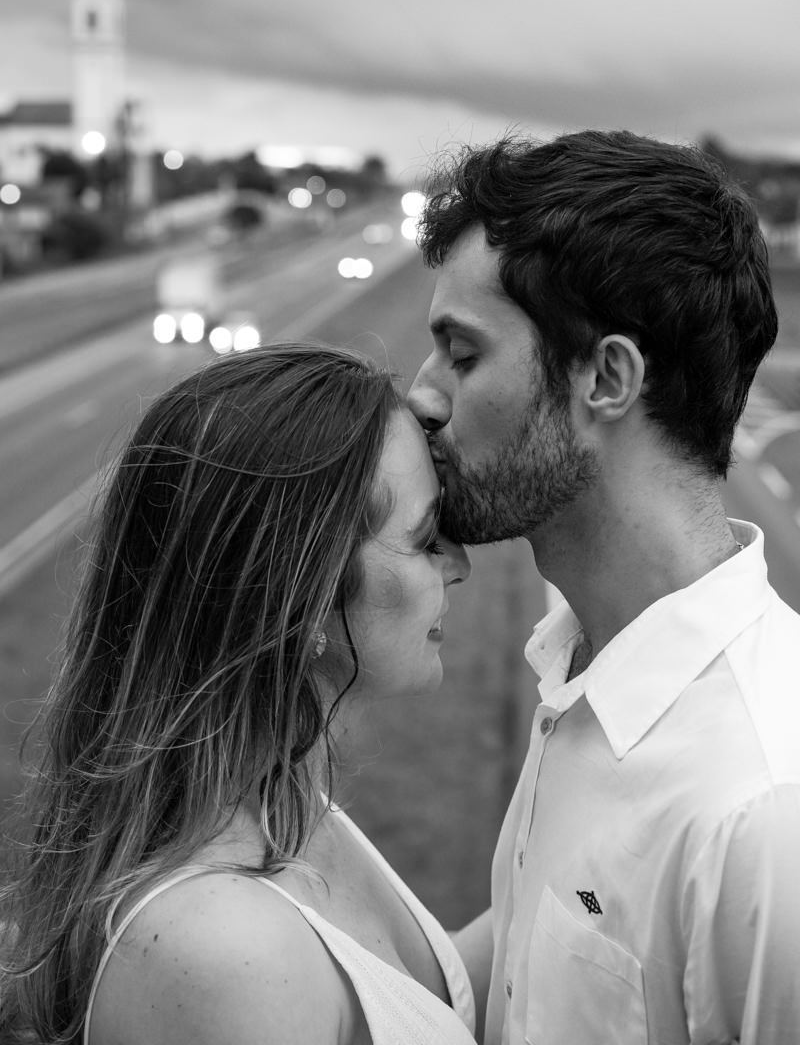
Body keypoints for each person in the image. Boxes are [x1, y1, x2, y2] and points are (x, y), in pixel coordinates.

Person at [407, 129, 800, 1044]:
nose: (422, 398)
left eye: (462, 355)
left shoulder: (765, 809)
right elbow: (520, 965)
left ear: (607, 377)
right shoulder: (589, 677)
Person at [0, 342, 476, 1045]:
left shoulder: (284, 805)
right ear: (305, 597)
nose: (459, 566)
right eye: (427, 537)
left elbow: (416, 1005)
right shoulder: (225, 955)